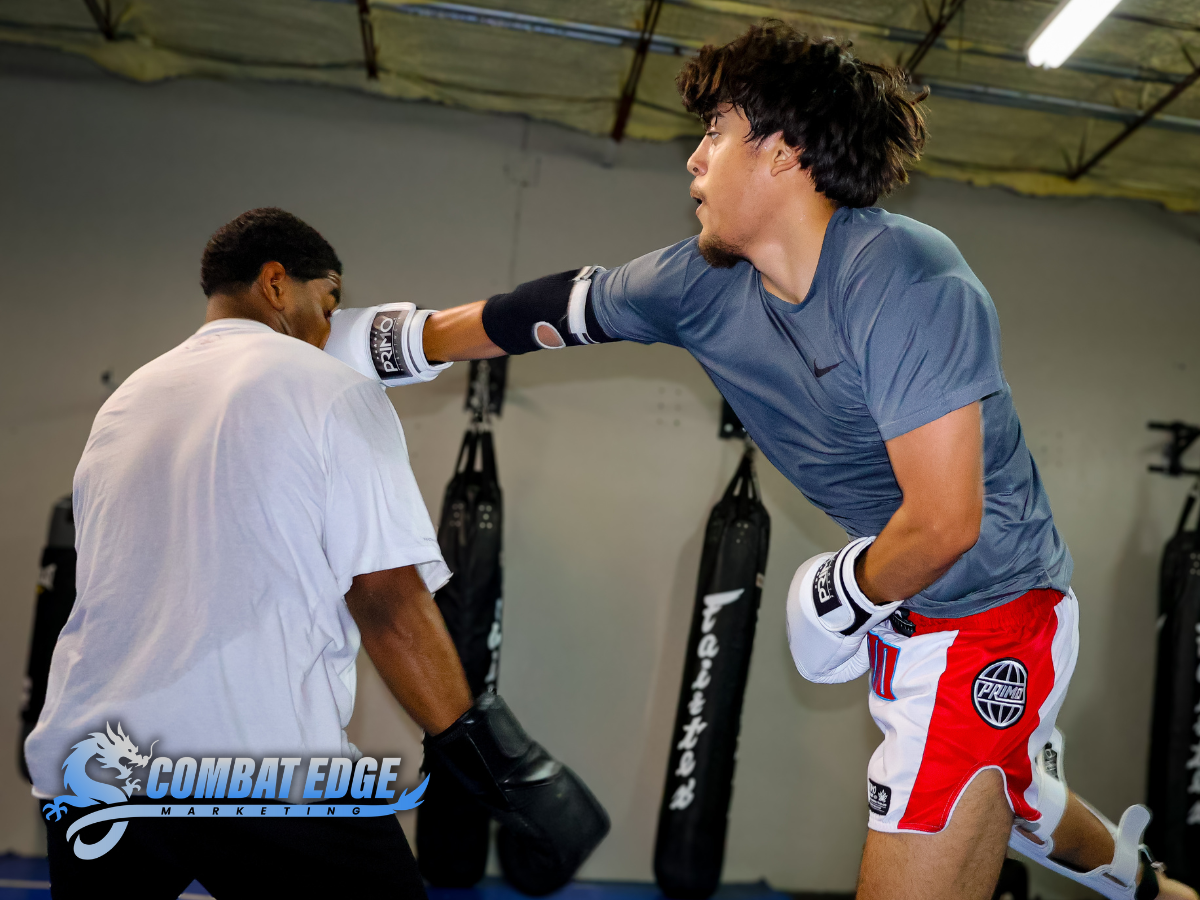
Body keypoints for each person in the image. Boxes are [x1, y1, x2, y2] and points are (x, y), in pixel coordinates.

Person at [324, 24, 1198, 900]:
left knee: (952, 802)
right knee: (1024, 799)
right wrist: (390, 344)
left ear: (783, 151)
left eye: (716, 132)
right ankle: (1155, 890)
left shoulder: (907, 278)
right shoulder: (694, 285)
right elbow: (546, 310)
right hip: (907, 603)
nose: (694, 160)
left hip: (992, 607)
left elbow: (945, 522)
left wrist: (844, 593)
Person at [25, 209, 607, 898]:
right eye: (327, 301)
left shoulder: (125, 404)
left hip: (95, 763)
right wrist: (508, 767)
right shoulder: (330, 389)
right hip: (253, 764)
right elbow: (388, 602)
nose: (332, 328)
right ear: (278, 285)